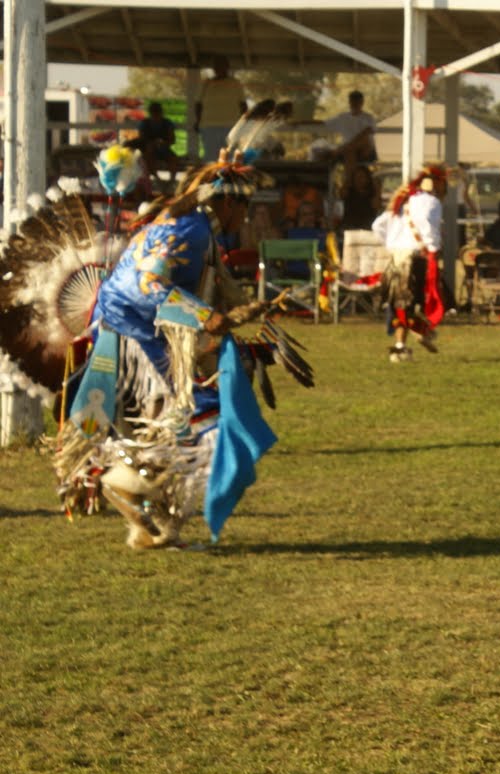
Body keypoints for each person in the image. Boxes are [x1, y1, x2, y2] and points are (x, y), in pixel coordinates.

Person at [49, 108, 315, 549]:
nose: (246, 217)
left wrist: (247, 312)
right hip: (132, 333)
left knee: (186, 422)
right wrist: (203, 315)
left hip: (137, 329)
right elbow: (149, 284)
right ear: (228, 203)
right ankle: (126, 482)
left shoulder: (197, 232)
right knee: (204, 423)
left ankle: (152, 518)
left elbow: (204, 290)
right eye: (245, 207)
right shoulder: (190, 231)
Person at [372, 165, 445, 361]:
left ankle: (400, 347)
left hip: (396, 258)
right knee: (418, 302)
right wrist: (433, 248)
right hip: (416, 258)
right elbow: (428, 225)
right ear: (438, 184)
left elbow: (377, 225)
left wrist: (391, 243)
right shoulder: (432, 202)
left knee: (400, 305)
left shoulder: (401, 201)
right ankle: (422, 330)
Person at [196, 57, 246, 161]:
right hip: (209, 126)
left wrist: (243, 123)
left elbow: (243, 105)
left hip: (231, 126)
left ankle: (228, 172)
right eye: (216, 66)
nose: (219, 68)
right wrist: (198, 121)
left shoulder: (235, 83)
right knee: (211, 156)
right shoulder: (206, 84)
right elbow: (198, 104)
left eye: (222, 65)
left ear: (227, 67)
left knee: (230, 156)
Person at [325, 90, 377, 165]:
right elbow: (324, 124)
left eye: (357, 101)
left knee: (364, 138)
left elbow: (367, 132)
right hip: (348, 150)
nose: (355, 104)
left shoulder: (368, 118)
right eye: (353, 101)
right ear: (349, 102)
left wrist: (344, 147)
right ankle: (351, 172)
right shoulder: (342, 117)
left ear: (362, 102)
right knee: (350, 151)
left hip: (365, 150)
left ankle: (344, 149)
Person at [133, 101, 179, 171]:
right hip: (149, 149)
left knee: (174, 159)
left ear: (161, 112)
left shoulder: (167, 123)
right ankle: (155, 175)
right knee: (147, 158)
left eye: (157, 112)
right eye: (154, 112)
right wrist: (152, 143)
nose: (156, 115)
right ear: (151, 113)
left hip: (164, 149)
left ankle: (171, 177)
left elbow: (172, 139)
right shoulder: (145, 123)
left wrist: (163, 143)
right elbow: (141, 138)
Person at [338, 163, 382, 234]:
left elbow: (376, 206)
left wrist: (377, 189)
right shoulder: (349, 192)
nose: (358, 180)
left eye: (362, 177)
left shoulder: (372, 193)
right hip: (349, 229)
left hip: (367, 229)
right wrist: (348, 181)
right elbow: (341, 194)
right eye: (356, 177)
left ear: (367, 179)